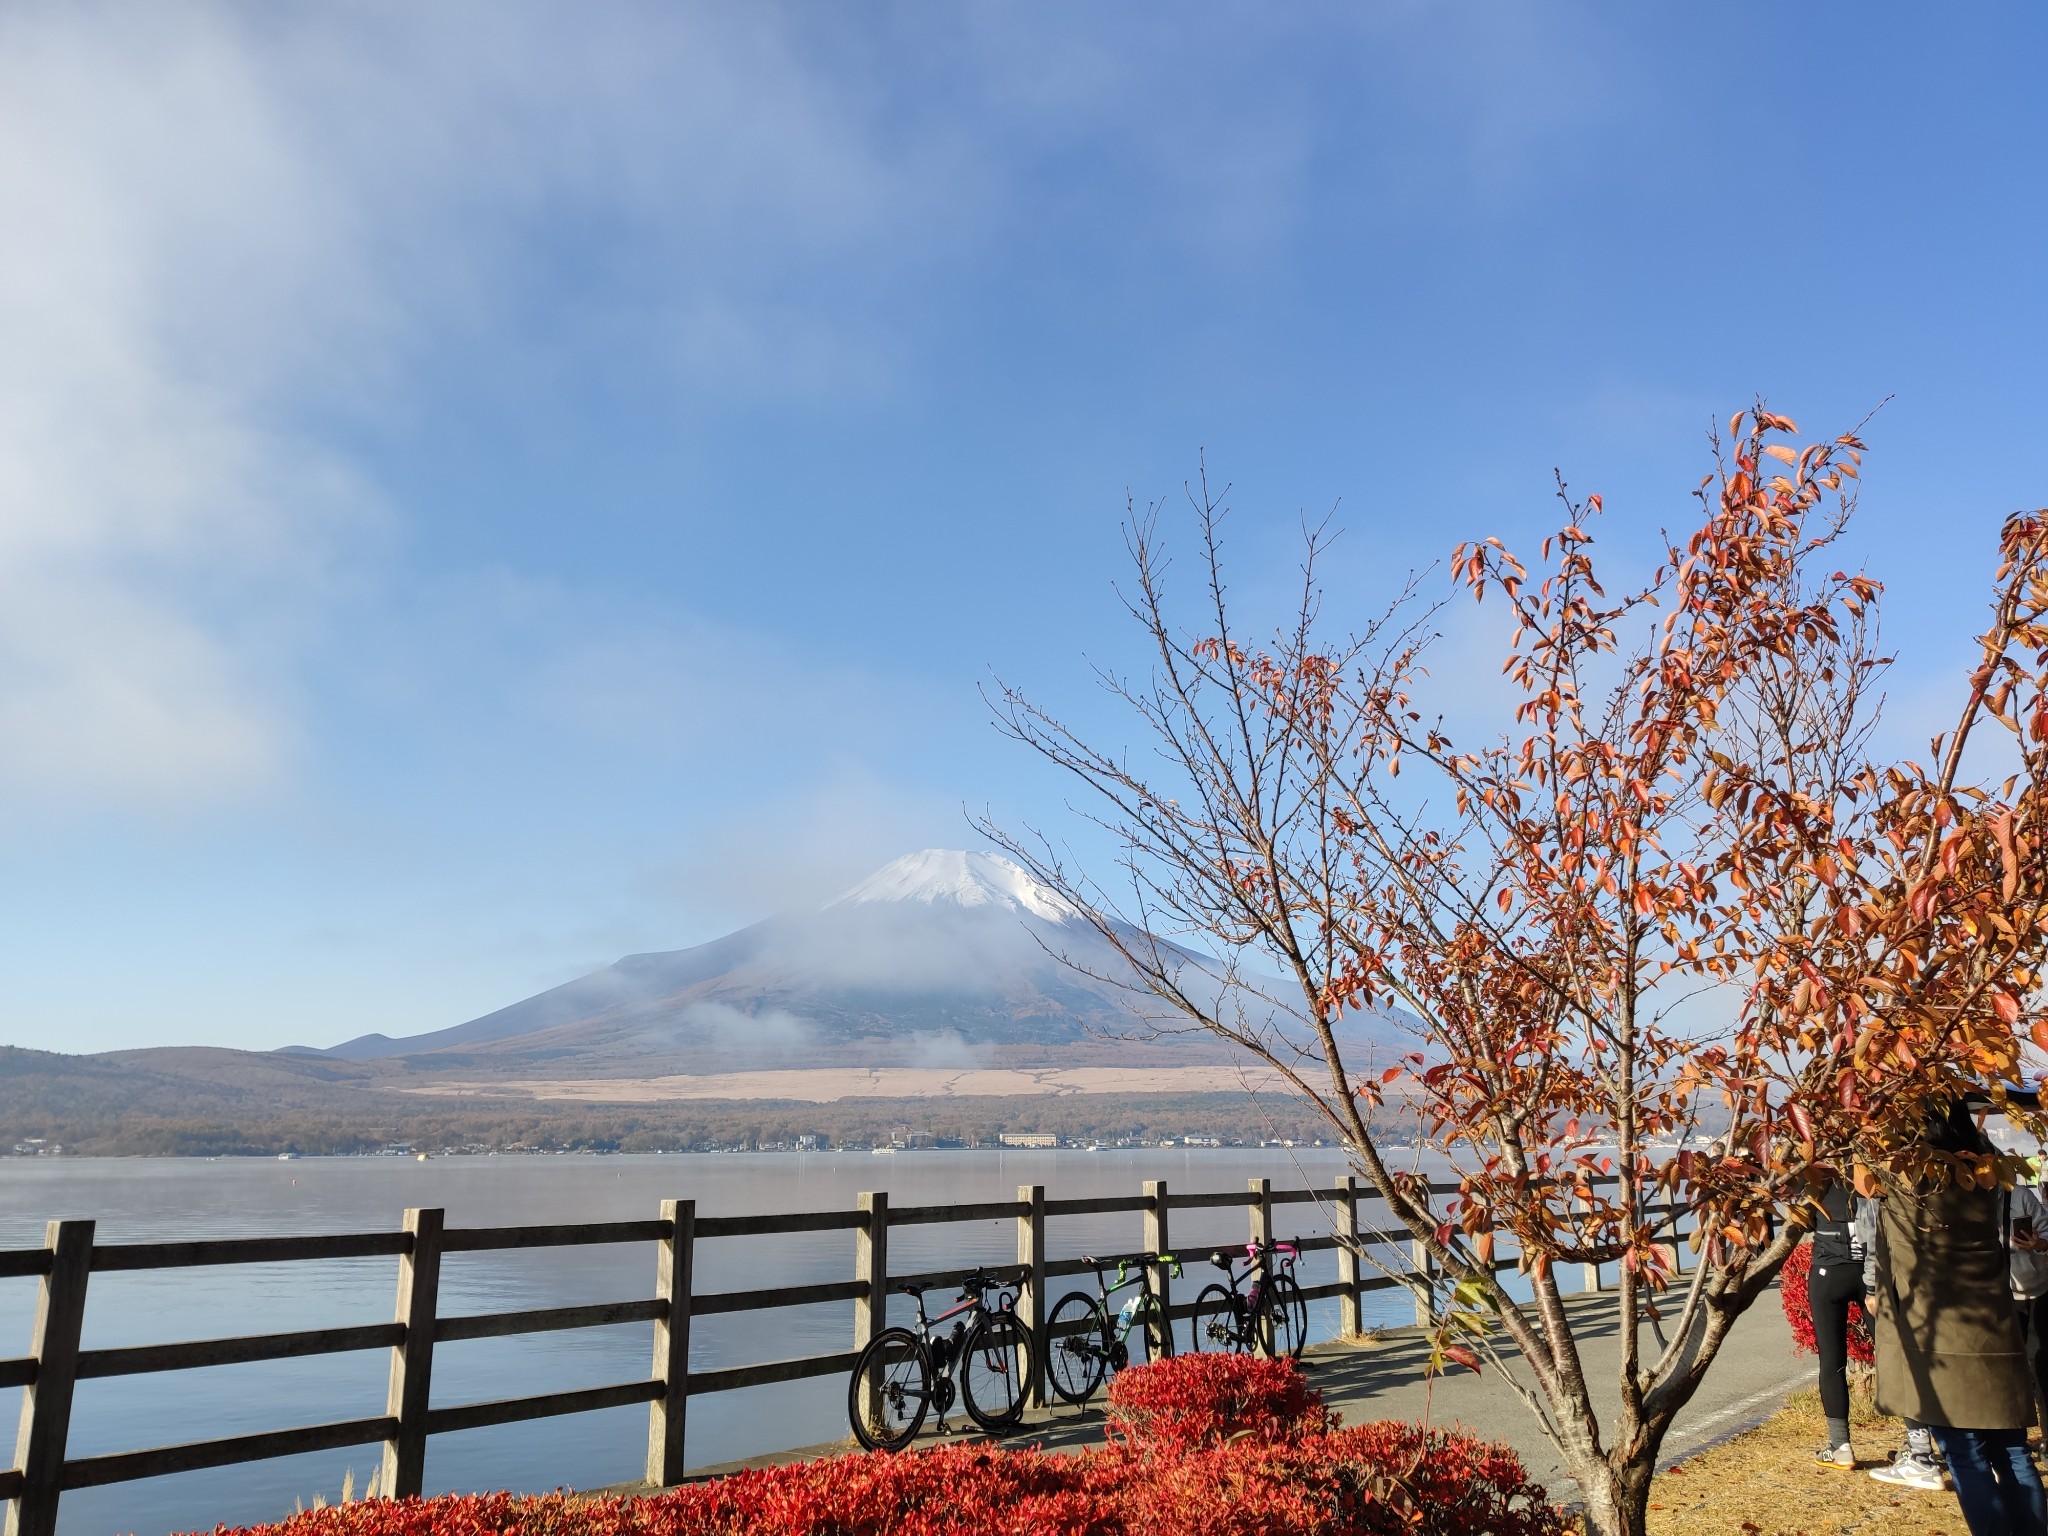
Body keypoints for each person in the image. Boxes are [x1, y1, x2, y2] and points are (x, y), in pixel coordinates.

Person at [1872, 1099, 2048, 1536]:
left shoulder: (1906, 1184)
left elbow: (1862, 1174)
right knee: (2013, 1453)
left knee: (1966, 1456)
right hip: (1995, 1331)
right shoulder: (1985, 1178)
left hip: (1940, 1343)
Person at [1805, 1179, 1942, 1487]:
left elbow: (1801, 1223)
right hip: (1874, 1271)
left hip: (1829, 1269)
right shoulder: (1873, 1175)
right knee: (1898, 1356)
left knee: (1832, 1362)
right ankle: (1918, 1444)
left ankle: (1840, 1446)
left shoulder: (1814, 1177)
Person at [2011, 1156, 2048, 1439]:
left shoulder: (2021, 1195)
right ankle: (2015, 1438)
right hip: (1998, 1294)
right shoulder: (1968, 1200)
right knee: (2009, 1369)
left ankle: (2047, 1438)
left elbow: (2046, 1234)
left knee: (2041, 1368)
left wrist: (2037, 1244)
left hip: (2036, 1290)